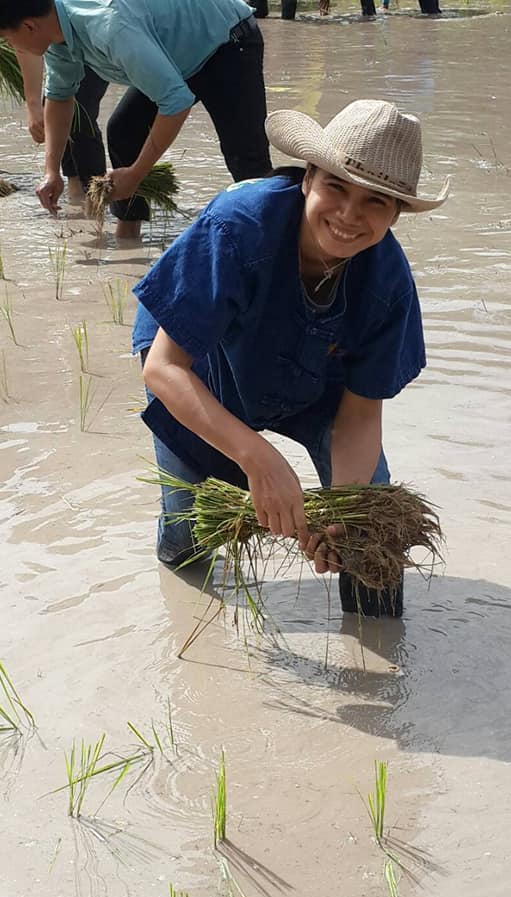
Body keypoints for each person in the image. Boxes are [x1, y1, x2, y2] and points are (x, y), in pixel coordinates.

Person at [132, 100, 449, 617]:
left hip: (313, 381)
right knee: (188, 539)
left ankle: (380, 660)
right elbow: (164, 368)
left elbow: (360, 415)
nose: (349, 216)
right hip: (203, 369)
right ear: (308, 179)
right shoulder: (236, 229)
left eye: (375, 203)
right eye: (336, 188)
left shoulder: (387, 286)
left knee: (370, 533)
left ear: (396, 216)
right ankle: (189, 624)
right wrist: (258, 456)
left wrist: (340, 515)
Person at [0, 0, 272, 238]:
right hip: (179, 55)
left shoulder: (109, 27)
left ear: (28, 26)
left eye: (7, 38)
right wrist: (51, 171)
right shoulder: (56, 35)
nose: (12, 48)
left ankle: (277, 238)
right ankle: (129, 231)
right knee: (123, 131)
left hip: (229, 41)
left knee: (245, 157)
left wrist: (138, 172)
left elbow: (175, 102)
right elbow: (60, 97)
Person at [16, 51, 107, 197]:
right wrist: (33, 106)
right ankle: (77, 198)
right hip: (61, 48)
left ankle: (96, 201)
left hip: (95, 45)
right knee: (59, 111)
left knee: (80, 112)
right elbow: (24, 45)